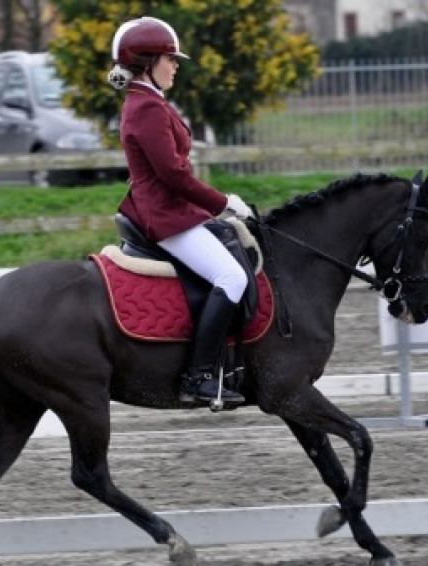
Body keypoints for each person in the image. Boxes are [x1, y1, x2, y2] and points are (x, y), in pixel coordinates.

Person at [108, 16, 253, 407]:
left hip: (174, 210)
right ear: (147, 62)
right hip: (167, 217)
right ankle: (200, 377)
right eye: (170, 59)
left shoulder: (149, 102)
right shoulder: (147, 109)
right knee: (232, 277)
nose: (175, 66)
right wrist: (222, 203)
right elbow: (173, 174)